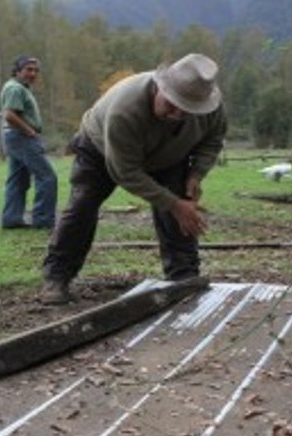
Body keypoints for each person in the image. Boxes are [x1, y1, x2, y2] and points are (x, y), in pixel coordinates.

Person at [40, 53, 227, 304]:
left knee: (181, 208)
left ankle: (184, 277)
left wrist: (196, 174)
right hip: (101, 149)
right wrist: (173, 204)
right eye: (171, 104)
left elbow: (213, 140)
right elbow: (126, 172)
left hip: (168, 156)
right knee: (82, 206)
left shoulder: (209, 107)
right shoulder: (125, 110)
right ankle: (57, 277)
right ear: (159, 87)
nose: (176, 114)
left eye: (186, 111)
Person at [0, 54, 58, 229]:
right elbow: (9, 115)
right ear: (17, 70)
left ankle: (11, 220)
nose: (33, 74)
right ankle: (43, 221)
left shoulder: (20, 88)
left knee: (18, 180)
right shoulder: (15, 88)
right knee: (47, 177)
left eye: (35, 70)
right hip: (22, 137)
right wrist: (30, 132)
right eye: (28, 69)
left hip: (17, 137)